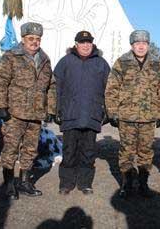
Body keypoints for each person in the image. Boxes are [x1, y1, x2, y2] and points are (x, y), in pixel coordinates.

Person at [0, 22, 56, 199]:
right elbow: (0, 81)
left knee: (30, 149)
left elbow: (51, 85)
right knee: (11, 148)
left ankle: (25, 182)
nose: (34, 42)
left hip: (36, 114)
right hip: (15, 113)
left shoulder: (44, 59)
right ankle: (8, 184)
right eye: (31, 39)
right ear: (23, 39)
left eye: (37, 39)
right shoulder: (11, 56)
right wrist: (1, 106)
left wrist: (50, 108)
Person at [105, 30, 160, 198]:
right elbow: (111, 89)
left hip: (148, 118)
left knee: (146, 151)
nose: (141, 46)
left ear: (148, 45)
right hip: (127, 116)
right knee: (126, 151)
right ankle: (126, 184)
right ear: (132, 45)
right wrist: (112, 112)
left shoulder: (157, 64)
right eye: (137, 43)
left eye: (144, 43)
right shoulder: (121, 63)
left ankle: (143, 183)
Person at [53, 30, 110, 195]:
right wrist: (55, 110)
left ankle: (85, 183)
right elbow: (56, 88)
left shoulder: (101, 63)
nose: (86, 45)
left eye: (88, 42)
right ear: (76, 44)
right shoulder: (65, 62)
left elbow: (110, 89)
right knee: (69, 151)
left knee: (88, 151)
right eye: (82, 42)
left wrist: (107, 111)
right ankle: (66, 183)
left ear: (92, 44)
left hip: (92, 115)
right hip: (70, 115)